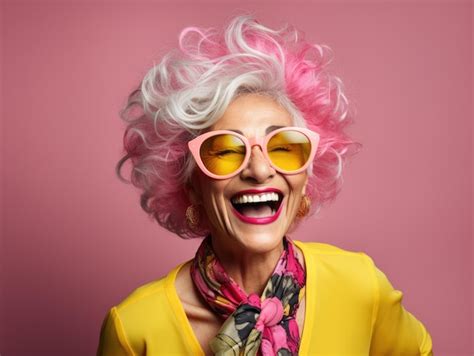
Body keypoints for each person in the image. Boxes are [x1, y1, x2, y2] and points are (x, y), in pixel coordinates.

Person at [97, 16, 433, 355]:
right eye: (226, 150)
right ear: (191, 184)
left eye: (284, 147)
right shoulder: (136, 329)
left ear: (305, 179)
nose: (259, 170)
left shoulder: (361, 288)